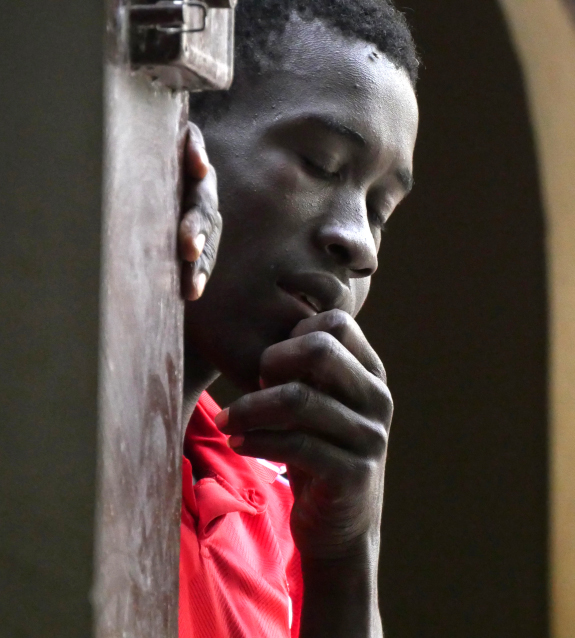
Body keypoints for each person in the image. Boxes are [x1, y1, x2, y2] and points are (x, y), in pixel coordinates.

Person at [171, 1, 420, 636]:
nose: (360, 244)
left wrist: (346, 555)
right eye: (321, 165)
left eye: (380, 211)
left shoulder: (274, 508)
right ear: (183, 146)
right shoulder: (36, 429)